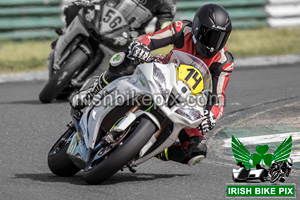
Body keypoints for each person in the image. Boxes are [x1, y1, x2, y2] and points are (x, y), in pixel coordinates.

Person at [70, 3, 234, 166]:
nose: (212, 44)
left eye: (219, 38)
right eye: (210, 36)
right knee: (125, 60)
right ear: (197, 28)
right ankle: (92, 93)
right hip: (161, 73)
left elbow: (218, 96)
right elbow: (152, 38)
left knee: (196, 151)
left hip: (186, 100)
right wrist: (141, 45)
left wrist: (210, 116)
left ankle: (148, 148)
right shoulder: (182, 29)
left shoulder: (224, 61)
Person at [55, 0, 176, 77]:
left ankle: (101, 83)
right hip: (102, 14)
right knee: (74, 8)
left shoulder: (168, 4)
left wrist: (148, 44)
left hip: (129, 32)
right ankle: (65, 38)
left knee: (132, 65)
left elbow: (162, 30)